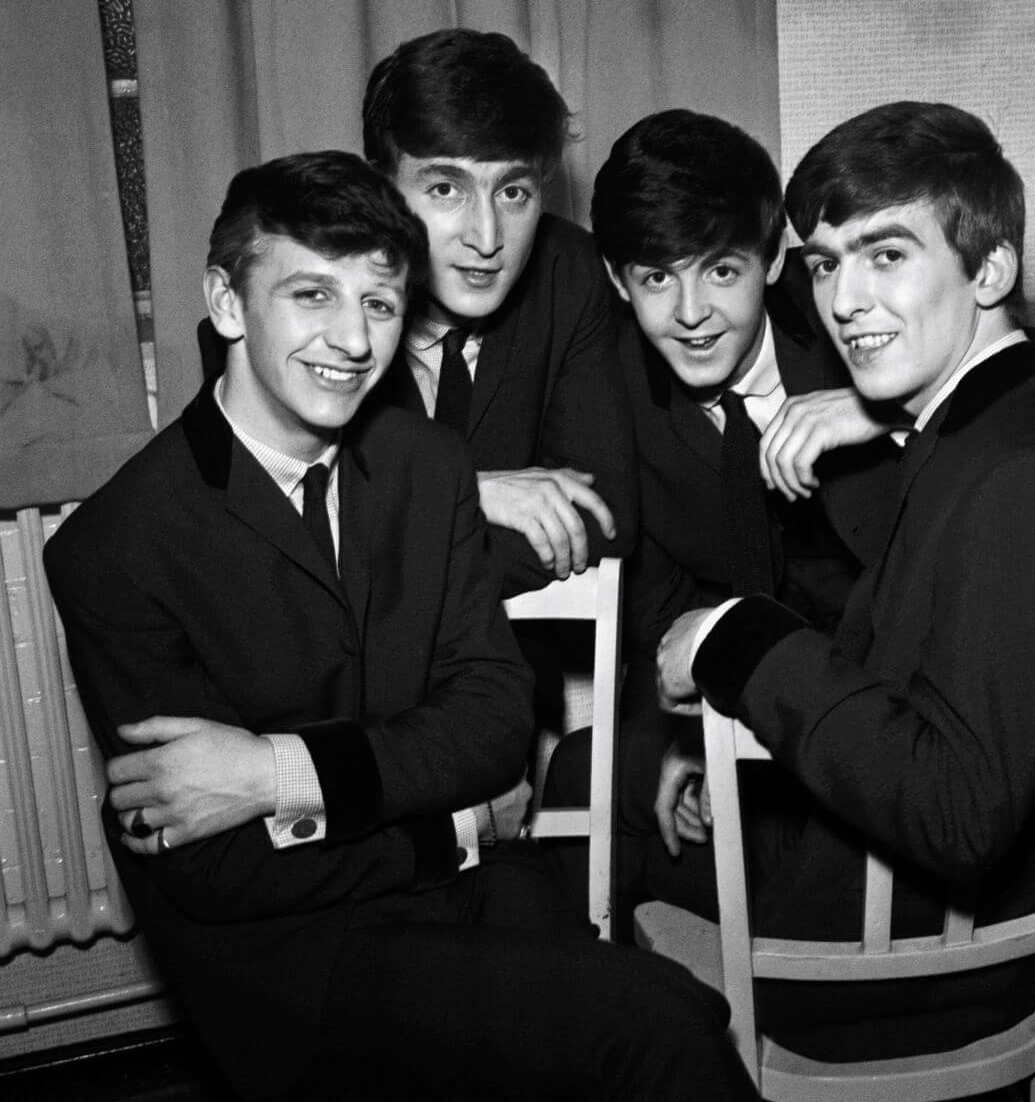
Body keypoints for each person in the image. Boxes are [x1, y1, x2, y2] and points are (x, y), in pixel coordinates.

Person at [44, 152, 756, 1102]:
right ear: (225, 302)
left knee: (671, 1013)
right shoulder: (115, 547)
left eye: (378, 305)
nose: (350, 339)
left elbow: (495, 721)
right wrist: (453, 824)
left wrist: (270, 773)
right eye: (311, 295)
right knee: (653, 1029)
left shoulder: (426, 464)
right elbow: (214, 866)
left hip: (475, 897)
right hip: (298, 961)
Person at [651, 101, 1035, 1060]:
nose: (843, 301)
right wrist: (879, 414)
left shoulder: (1029, 487)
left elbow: (957, 813)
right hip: (923, 913)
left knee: (591, 900)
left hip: (915, 973)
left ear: (992, 270)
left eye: (886, 256)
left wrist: (737, 638)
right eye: (823, 263)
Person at [544, 108, 897, 930]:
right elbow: (653, 597)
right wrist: (685, 740)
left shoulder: (864, 340)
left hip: (871, 723)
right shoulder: (613, 397)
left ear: (775, 258)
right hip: (730, 720)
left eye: (722, 272)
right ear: (616, 277)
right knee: (585, 777)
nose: (693, 313)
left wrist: (882, 410)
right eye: (659, 278)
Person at [362, 27, 637, 596]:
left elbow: (602, 516)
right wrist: (461, 491)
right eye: (445, 189)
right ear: (382, 189)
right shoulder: (309, 279)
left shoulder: (571, 273)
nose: (487, 238)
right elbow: (276, 518)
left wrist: (389, 534)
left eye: (512, 192)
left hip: (504, 674)